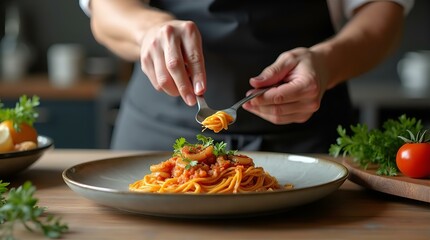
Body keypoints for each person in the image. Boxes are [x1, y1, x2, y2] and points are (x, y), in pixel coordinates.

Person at [79, 0, 414, 153]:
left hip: (306, 140)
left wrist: (325, 63)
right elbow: (106, 12)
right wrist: (149, 29)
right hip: (157, 135)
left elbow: (383, 13)